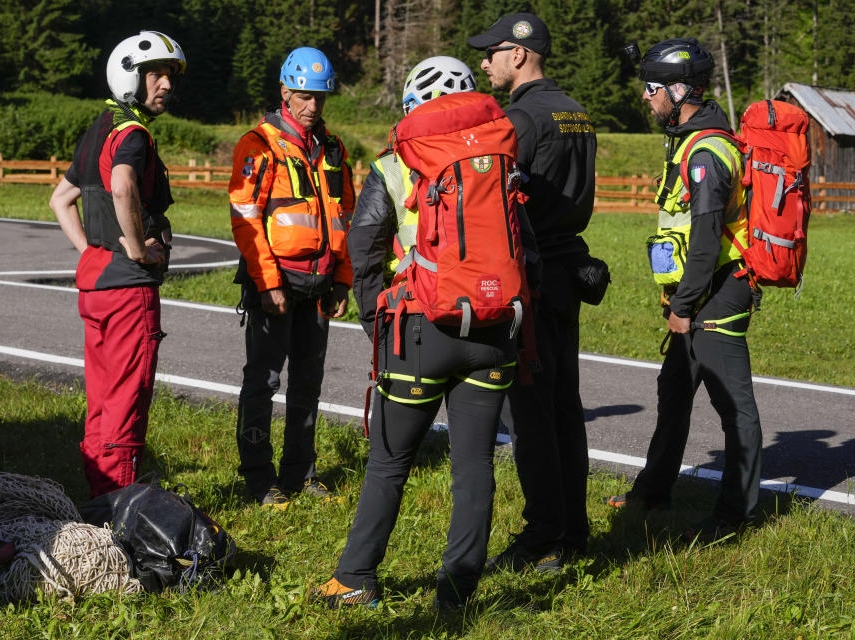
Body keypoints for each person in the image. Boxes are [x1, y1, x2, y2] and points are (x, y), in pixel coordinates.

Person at [311, 56, 519, 611]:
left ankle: (355, 578)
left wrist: (375, 320)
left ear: (413, 106)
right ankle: (456, 593)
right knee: (474, 464)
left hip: (420, 329)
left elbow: (364, 247)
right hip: (496, 327)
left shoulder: (396, 163)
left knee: (388, 462)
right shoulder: (504, 154)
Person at [607, 38, 762, 541]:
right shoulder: (689, 140)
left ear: (678, 90)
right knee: (674, 392)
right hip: (700, 291)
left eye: (651, 89)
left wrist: (683, 305)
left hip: (717, 291)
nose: (646, 98)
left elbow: (705, 240)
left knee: (733, 405)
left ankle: (735, 515)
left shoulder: (708, 152)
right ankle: (653, 491)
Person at [467, 13, 598, 571]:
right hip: (571, 272)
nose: (483, 63)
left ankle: (544, 533)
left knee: (532, 414)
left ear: (518, 54)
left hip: (534, 276)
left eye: (491, 53)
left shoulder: (518, 118)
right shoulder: (577, 113)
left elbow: (493, 198)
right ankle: (574, 529)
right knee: (566, 407)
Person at [49, 30, 186, 498]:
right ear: (130, 76)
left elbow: (60, 200)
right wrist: (135, 248)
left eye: (169, 76)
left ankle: (96, 495)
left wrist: (92, 249)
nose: (166, 84)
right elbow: (124, 186)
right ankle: (120, 509)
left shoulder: (99, 129)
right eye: (156, 74)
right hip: (128, 288)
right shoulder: (131, 134)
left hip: (96, 282)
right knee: (127, 399)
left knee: (102, 400)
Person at [228, 47, 355, 509]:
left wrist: (343, 278)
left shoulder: (334, 148)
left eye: (320, 97)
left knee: (308, 383)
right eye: (304, 95)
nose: (312, 106)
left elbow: (346, 217)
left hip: (320, 286)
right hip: (275, 286)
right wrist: (267, 282)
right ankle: (260, 479)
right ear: (285, 91)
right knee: (262, 382)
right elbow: (244, 216)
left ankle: (301, 472)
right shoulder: (259, 144)